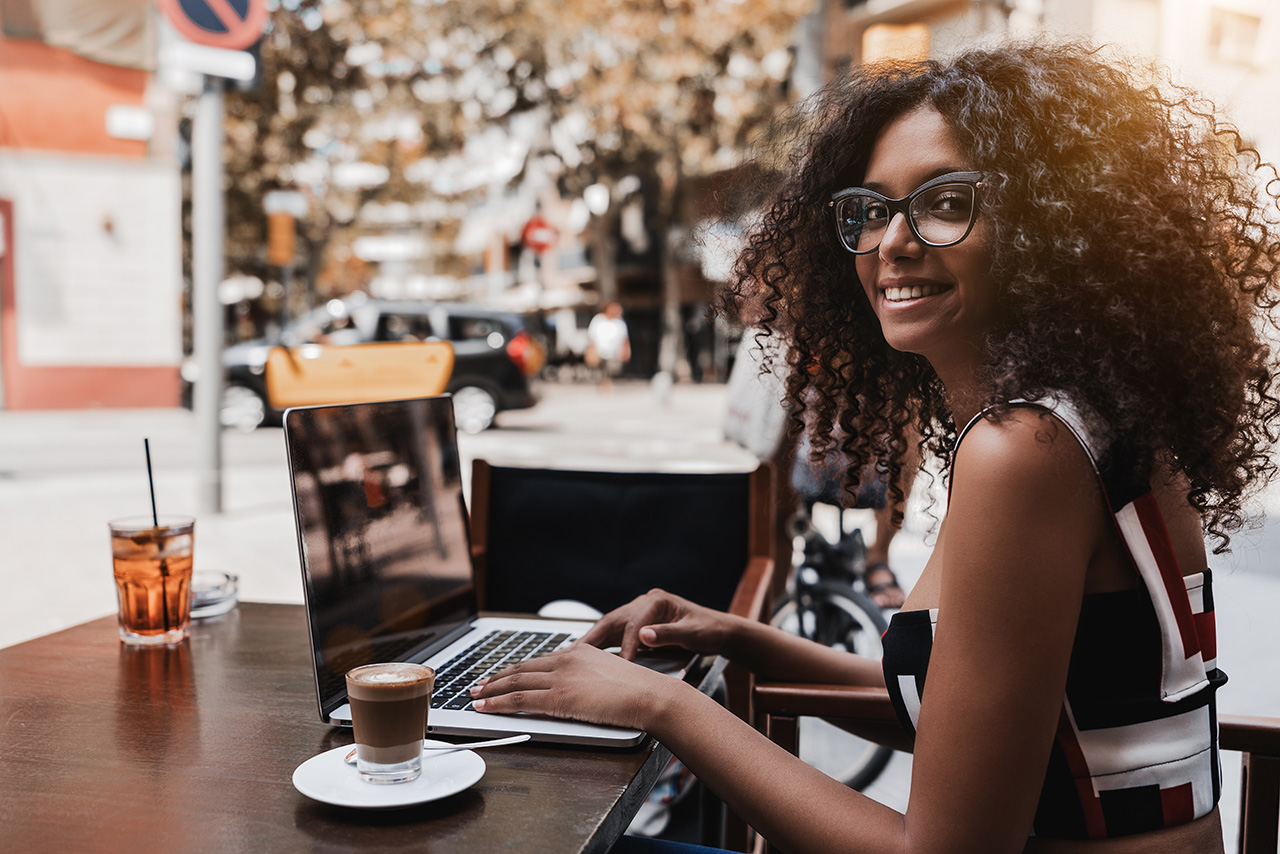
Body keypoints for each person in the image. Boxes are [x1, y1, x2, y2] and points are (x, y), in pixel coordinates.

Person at [470, 41, 1280, 852]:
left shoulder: (1023, 453)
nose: (892, 241)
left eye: (947, 201)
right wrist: (738, 636)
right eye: (869, 210)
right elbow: (991, 714)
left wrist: (659, 703)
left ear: (1051, 225)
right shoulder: (1096, 421)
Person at [586, 300, 631, 390]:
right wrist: (592, 349)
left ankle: (606, 383)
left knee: (611, 370)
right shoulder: (598, 319)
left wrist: (626, 351)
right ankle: (603, 384)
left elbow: (624, 339)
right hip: (599, 351)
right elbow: (592, 337)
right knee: (601, 370)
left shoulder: (620, 322)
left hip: (613, 353)